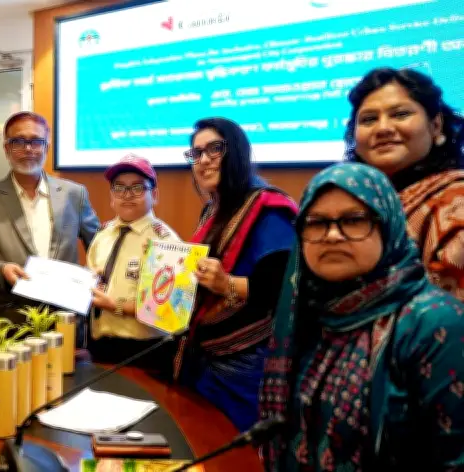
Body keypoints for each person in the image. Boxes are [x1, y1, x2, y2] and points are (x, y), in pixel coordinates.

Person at [260, 162, 464, 471]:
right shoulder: (305, 314)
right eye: (316, 223)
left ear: (389, 227)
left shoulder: (435, 324)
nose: (332, 236)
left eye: (354, 220)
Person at [172, 117, 297, 432]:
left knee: (232, 449)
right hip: (205, 356)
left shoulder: (270, 208)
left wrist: (225, 284)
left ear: (237, 151)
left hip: (245, 362)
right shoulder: (213, 208)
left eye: (214, 149)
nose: (203, 160)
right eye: (196, 153)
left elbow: (283, 290)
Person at [0, 111, 101, 325]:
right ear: (6, 148)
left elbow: (99, 245)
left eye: (36, 141)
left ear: (46, 147)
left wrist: (97, 272)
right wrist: (1, 270)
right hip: (10, 320)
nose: (28, 149)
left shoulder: (73, 194)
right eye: (18, 142)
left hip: (65, 317)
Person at [345, 67, 464, 300]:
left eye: (400, 114)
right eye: (369, 119)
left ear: (435, 126)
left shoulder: (456, 203)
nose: (383, 128)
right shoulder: (353, 200)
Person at [87, 154, 179, 368]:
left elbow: (168, 308)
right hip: (100, 345)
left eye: (137, 188)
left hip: (145, 350)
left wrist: (116, 305)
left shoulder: (165, 241)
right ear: (112, 195)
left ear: (154, 195)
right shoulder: (103, 234)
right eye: (119, 188)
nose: (127, 195)